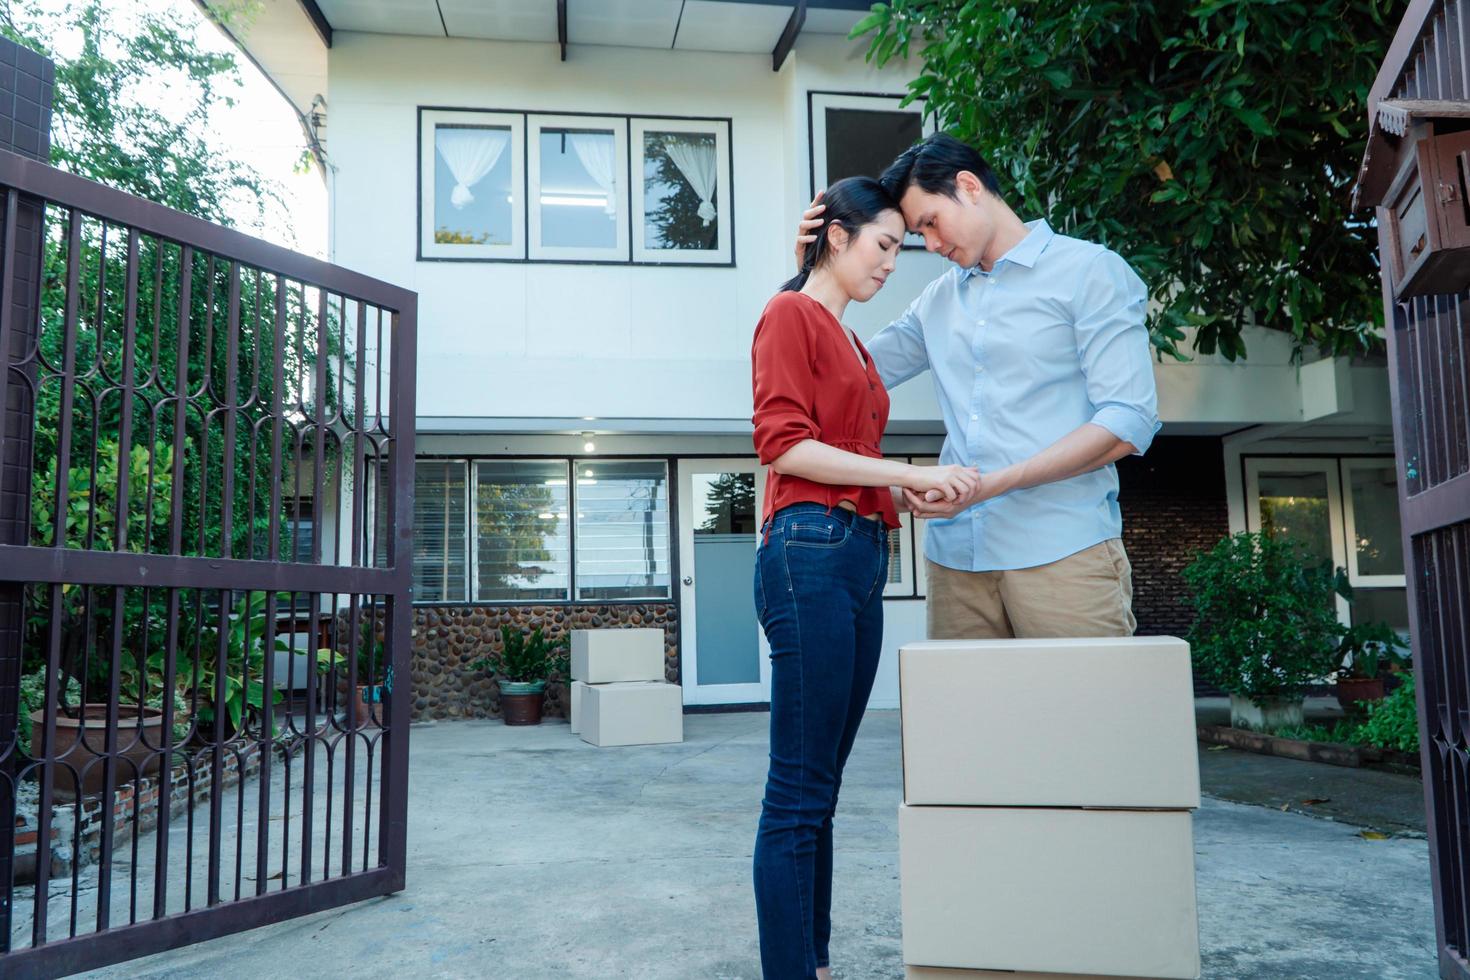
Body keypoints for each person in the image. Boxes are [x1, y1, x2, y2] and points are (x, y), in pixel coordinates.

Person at [795, 134, 1159, 640]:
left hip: (1063, 553)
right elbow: (831, 371)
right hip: (955, 564)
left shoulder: (1090, 272)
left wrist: (991, 485)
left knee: (1080, 718)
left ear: (968, 186)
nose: (933, 246)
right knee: (958, 720)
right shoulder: (936, 301)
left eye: (929, 224)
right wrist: (813, 276)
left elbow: (1128, 420)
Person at [751, 175, 979, 980]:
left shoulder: (850, 341)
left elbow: (849, 460)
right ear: (837, 236)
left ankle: (809, 961)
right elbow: (783, 444)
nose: (893, 263)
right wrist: (900, 468)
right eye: (884, 244)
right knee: (798, 792)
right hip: (807, 548)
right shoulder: (789, 315)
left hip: (855, 552)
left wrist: (906, 492)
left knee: (824, 787)